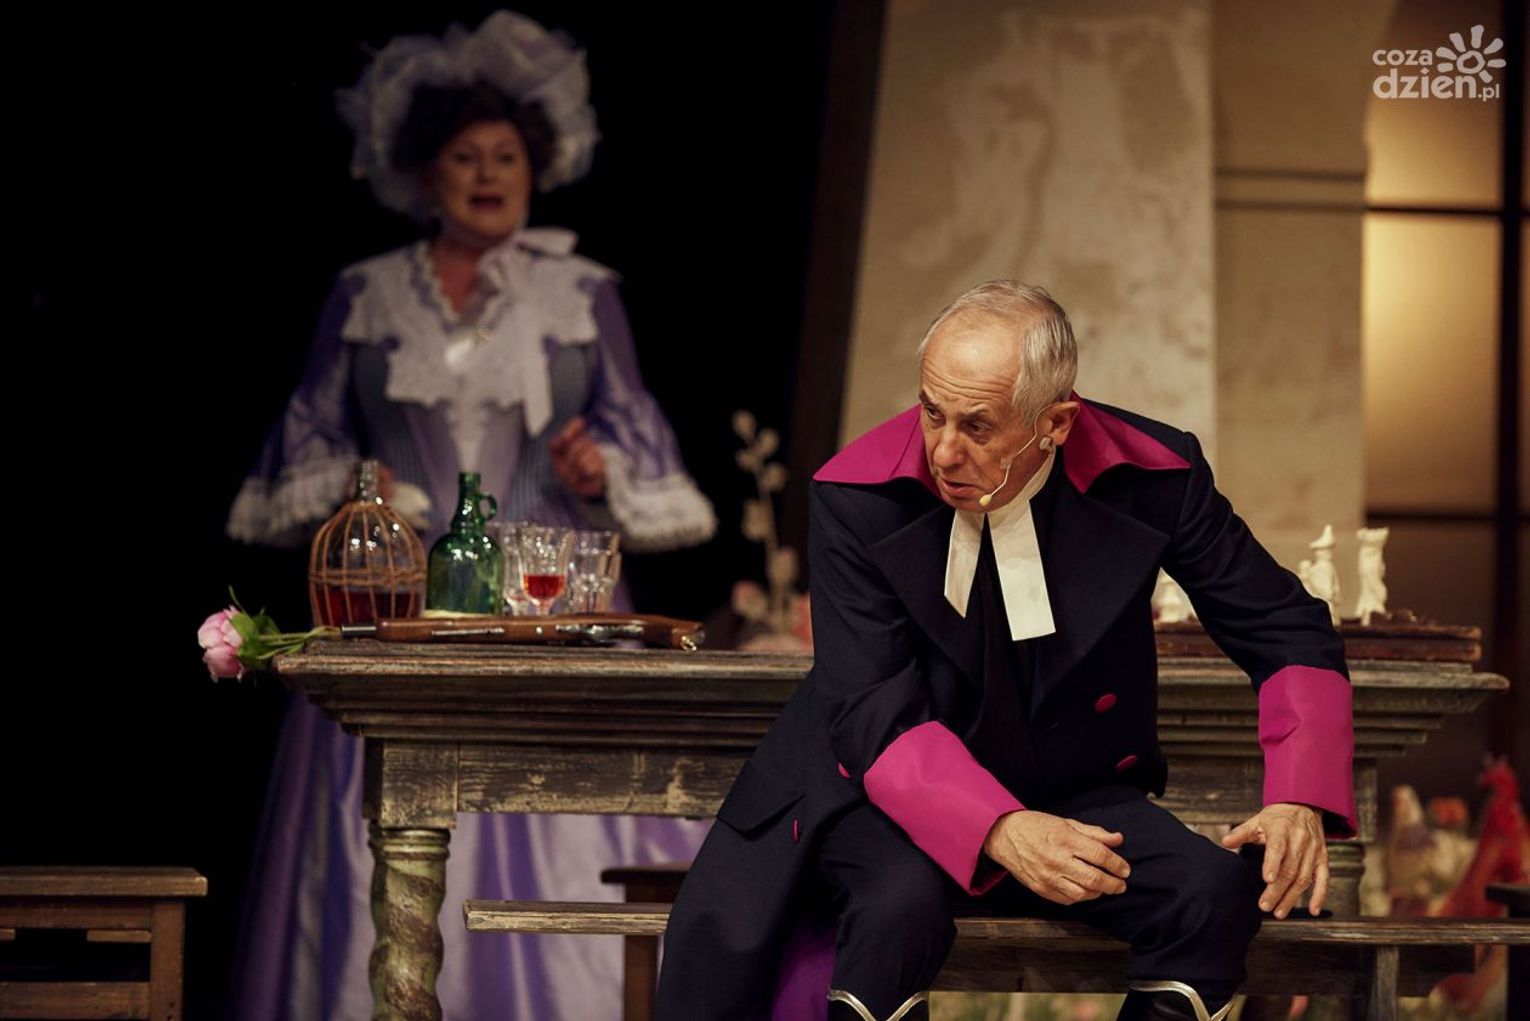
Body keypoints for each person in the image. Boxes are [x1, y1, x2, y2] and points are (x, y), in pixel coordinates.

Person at [656, 281, 1356, 1021]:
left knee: (1208, 895)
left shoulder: (1156, 475)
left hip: (1067, 786)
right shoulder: (858, 492)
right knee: (900, 906)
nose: (943, 450)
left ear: (1056, 423)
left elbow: (1285, 624)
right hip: (873, 789)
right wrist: (997, 827)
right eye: (932, 412)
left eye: (978, 426)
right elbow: (872, 711)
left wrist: (1298, 795)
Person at [226, 12, 714, 1018]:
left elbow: (648, 455)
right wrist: (358, 483)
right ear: (425, 173)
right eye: (465, 156)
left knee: (561, 814)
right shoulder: (366, 294)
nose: (488, 174)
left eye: (506, 156)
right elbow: (299, 451)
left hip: (545, 597)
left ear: (537, 167)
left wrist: (597, 467)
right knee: (384, 825)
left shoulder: (582, 293)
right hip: (395, 605)